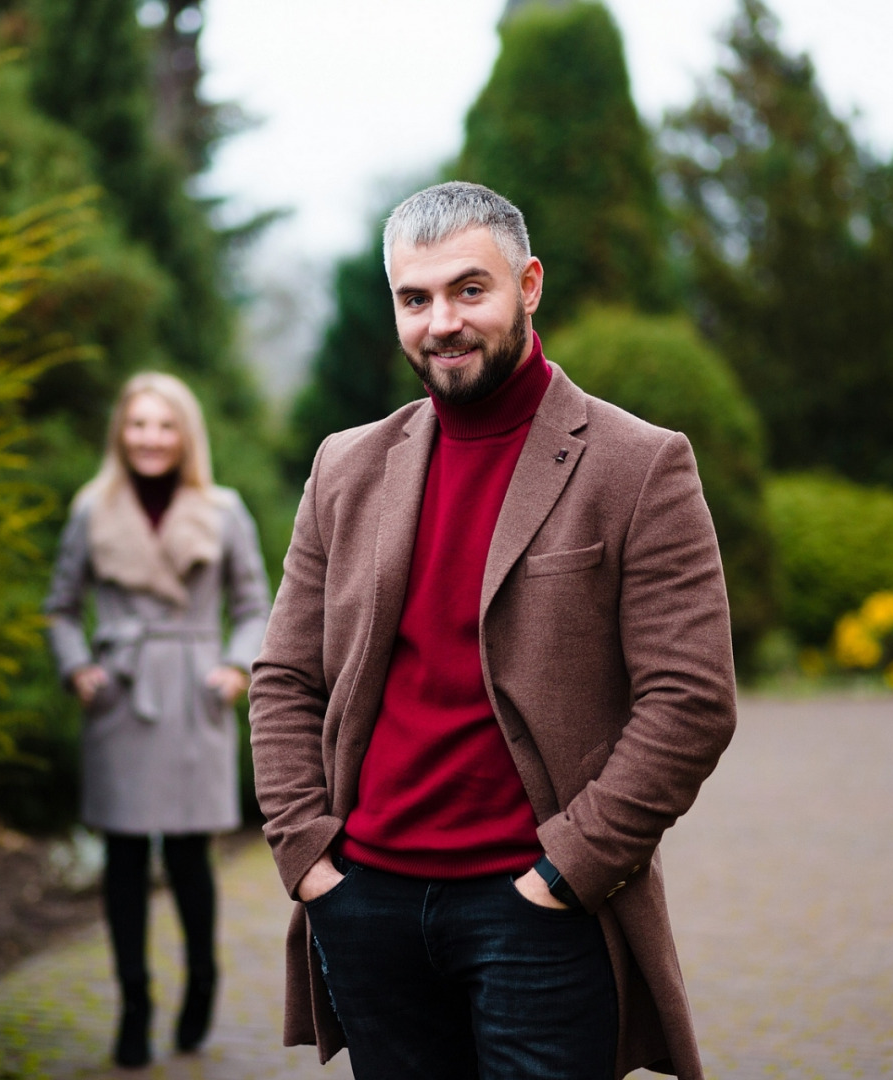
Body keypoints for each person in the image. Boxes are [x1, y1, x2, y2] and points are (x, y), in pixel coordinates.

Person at [248, 182, 737, 1080]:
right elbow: (282, 675)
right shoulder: (345, 467)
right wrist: (308, 857)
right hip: (368, 905)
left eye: (469, 289)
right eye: (414, 297)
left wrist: (566, 871)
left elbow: (691, 701)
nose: (441, 322)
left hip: (537, 915)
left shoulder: (636, 465)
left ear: (529, 285)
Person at [45, 372, 270, 1068]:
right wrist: (78, 665)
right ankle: (133, 1005)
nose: (150, 438)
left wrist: (234, 666)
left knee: (187, 856)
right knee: (120, 858)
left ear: (184, 434)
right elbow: (60, 604)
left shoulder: (223, 508)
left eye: (163, 425)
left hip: (193, 696)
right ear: (121, 432)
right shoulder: (92, 508)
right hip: (121, 693)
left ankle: (201, 982)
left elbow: (255, 603)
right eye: (138, 424)